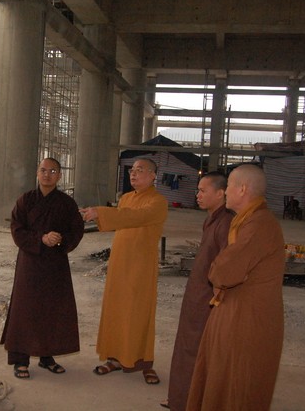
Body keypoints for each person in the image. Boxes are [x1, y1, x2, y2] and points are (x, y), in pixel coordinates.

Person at [186, 164, 285, 411]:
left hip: (248, 318)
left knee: (237, 383)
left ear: (242, 189)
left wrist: (217, 267)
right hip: (234, 311)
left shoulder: (259, 224)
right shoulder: (247, 220)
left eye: (229, 185)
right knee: (220, 378)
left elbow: (224, 272)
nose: (226, 191)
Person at [80, 157, 168, 385]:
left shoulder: (158, 202)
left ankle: (144, 362)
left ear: (153, 175)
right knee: (116, 310)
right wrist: (98, 215)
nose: (134, 174)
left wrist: (101, 212)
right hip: (120, 263)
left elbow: (135, 218)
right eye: (132, 170)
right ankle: (114, 358)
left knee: (139, 313)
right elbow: (121, 221)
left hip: (141, 266)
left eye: (140, 170)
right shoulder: (126, 198)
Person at [0, 158, 85, 379]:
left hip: (55, 264)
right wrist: (41, 238)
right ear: (37, 173)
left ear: (59, 176)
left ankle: (47, 356)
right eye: (43, 170)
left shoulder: (67, 204)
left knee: (52, 308)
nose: (47, 174)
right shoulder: (25, 200)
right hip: (30, 262)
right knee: (24, 309)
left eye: (53, 171)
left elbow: (76, 230)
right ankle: (20, 359)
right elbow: (17, 229)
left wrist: (60, 240)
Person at [161, 172, 233, 410]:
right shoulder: (211, 218)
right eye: (198, 190)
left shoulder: (227, 222)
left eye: (203, 191)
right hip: (197, 293)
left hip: (208, 297)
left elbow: (226, 264)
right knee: (187, 346)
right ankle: (182, 398)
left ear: (221, 193)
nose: (198, 195)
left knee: (198, 350)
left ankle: (193, 400)